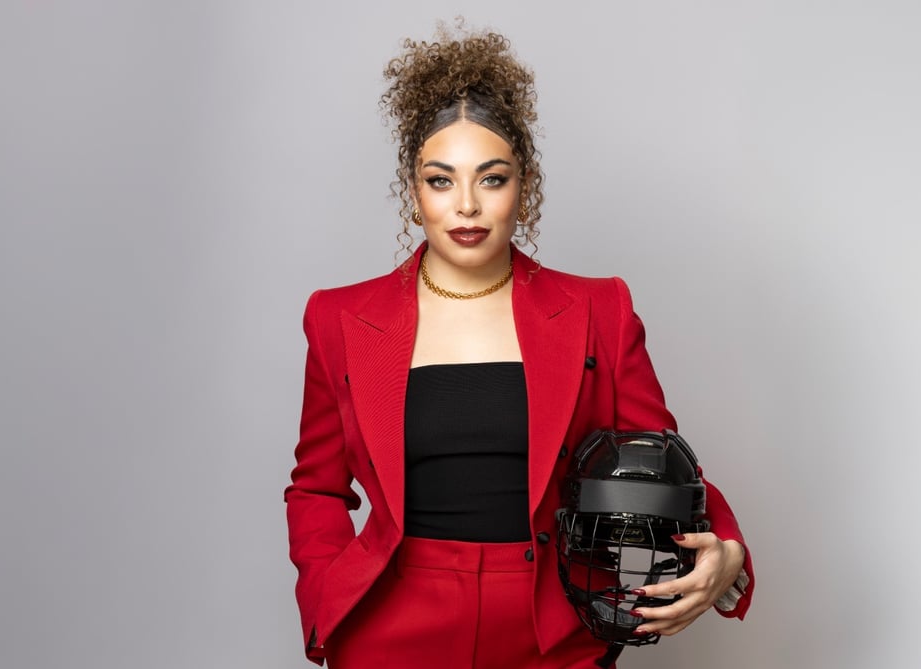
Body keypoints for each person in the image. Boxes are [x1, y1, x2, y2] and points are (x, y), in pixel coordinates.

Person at [284, 23, 753, 668]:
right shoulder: (338, 318)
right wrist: (324, 596)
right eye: (441, 180)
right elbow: (315, 488)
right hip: (391, 625)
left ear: (523, 185)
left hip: (552, 629)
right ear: (413, 189)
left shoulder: (599, 309)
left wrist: (726, 544)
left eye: (492, 178)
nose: (467, 206)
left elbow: (659, 457)